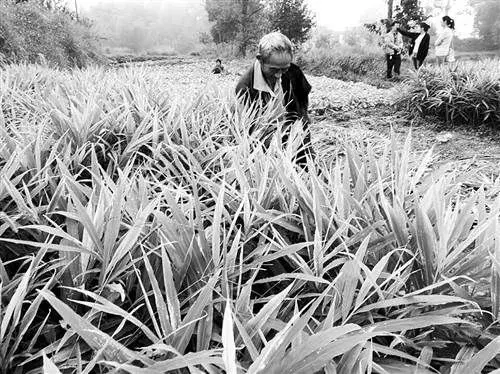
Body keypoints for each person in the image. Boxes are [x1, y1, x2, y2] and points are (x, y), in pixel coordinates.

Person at [235, 31, 313, 167]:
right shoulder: (245, 87)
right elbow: (248, 131)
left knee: (306, 165)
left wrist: (302, 124)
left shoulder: (293, 72)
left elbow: (302, 100)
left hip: (292, 129)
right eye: (273, 69)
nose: (278, 75)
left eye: (284, 69)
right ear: (260, 59)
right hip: (265, 140)